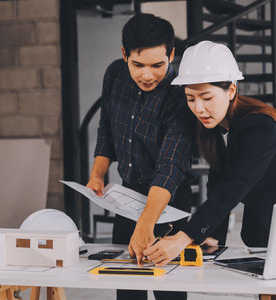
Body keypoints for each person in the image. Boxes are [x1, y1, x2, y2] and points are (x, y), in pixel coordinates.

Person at [143, 41, 276, 300]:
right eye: (190, 98)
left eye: (206, 97)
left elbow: (235, 185)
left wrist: (184, 237)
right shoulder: (214, 129)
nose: (198, 108)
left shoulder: (260, 126)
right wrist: (213, 235)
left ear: (230, 90)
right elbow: (218, 182)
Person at [86, 14, 195, 300]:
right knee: (127, 287)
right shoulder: (115, 74)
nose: (148, 75)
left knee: (168, 288)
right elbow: (107, 126)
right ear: (125, 55)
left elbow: (171, 167)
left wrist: (146, 224)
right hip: (127, 195)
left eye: (158, 65)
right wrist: (98, 171)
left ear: (171, 54)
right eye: (138, 65)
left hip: (170, 199)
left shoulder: (181, 94)